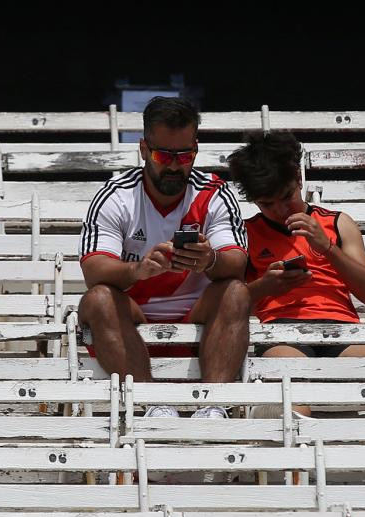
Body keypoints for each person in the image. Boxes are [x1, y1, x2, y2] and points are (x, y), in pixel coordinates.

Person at [78, 97, 250, 419]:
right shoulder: (117, 195)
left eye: (185, 156)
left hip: (198, 316)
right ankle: (151, 405)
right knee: (97, 299)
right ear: (143, 149)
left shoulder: (214, 193)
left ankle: (213, 408)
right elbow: (93, 269)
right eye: (163, 155)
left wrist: (209, 259)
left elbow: (237, 262)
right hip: (132, 318)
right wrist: (138, 269)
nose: (174, 165)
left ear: (196, 150)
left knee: (236, 291)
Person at [228, 131, 365, 419]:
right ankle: (294, 461)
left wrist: (327, 248)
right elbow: (230, 302)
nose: (280, 210)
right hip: (282, 333)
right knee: (285, 393)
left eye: (286, 197)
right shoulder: (246, 232)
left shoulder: (337, 223)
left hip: (344, 332)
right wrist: (265, 286)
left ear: (298, 178)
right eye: (267, 204)